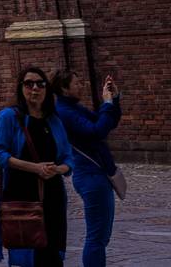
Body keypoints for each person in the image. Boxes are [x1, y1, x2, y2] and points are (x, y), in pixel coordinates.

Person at [0, 66, 74, 267]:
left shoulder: (53, 120)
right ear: (21, 88)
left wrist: (57, 169)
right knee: (27, 256)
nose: (35, 88)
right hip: (21, 195)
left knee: (52, 255)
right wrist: (34, 168)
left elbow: (69, 159)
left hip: (51, 196)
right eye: (29, 84)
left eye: (40, 83)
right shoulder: (10, 117)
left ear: (46, 89)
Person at [53, 69, 121, 267]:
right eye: (77, 83)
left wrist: (113, 99)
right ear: (64, 89)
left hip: (96, 174)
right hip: (91, 176)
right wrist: (107, 103)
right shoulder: (65, 112)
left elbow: (105, 122)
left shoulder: (74, 108)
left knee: (101, 236)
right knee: (97, 237)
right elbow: (96, 131)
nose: (81, 85)